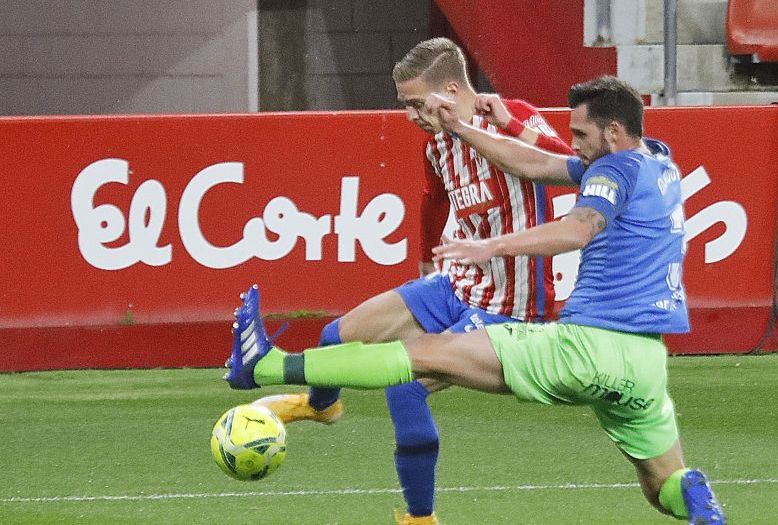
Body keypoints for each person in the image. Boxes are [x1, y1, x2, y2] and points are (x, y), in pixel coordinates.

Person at [225, 75, 726, 524]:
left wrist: (492, 245)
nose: (574, 145)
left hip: (588, 348)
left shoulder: (613, 171)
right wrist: (465, 129)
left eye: (580, 134)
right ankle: (696, 497)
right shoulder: (659, 161)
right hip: (644, 366)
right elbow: (538, 164)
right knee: (662, 488)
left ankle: (267, 367)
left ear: (614, 132)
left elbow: (578, 229)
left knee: (421, 354)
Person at [248, 37, 573, 525]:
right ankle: (321, 408)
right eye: (404, 104)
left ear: (450, 89)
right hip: (459, 282)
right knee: (336, 336)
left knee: (404, 385)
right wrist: (426, 265)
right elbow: (433, 200)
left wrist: (509, 124)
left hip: (514, 305)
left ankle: (421, 518)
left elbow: (571, 164)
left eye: (416, 103)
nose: (410, 115)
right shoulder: (438, 145)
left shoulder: (513, 117)